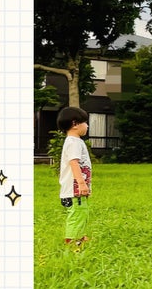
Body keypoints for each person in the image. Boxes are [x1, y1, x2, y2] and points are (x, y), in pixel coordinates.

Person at [57, 107, 93, 251]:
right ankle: (73, 242)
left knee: (82, 212)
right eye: (85, 122)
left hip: (76, 189)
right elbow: (74, 162)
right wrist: (82, 183)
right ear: (75, 124)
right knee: (77, 214)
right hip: (75, 189)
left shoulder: (74, 141)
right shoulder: (73, 142)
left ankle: (80, 236)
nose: (87, 126)